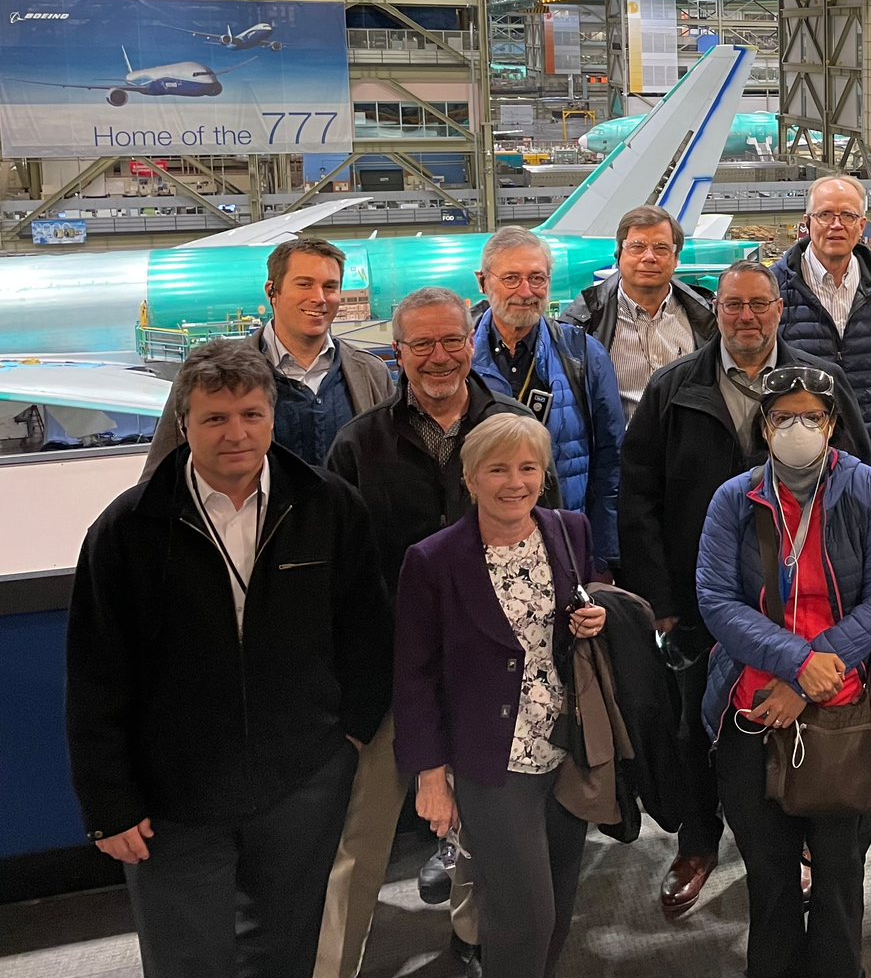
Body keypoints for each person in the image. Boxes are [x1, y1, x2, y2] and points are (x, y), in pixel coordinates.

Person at [66, 341, 390, 978]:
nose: (236, 433)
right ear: (183, 424)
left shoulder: (328, 507)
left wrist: (345, 738)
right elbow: (95, 676)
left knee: (286, 953)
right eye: (215, 418)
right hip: (174, 800)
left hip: (301, 785)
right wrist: (108, 804)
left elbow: (367, 632)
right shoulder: (129, 530)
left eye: (250, 414)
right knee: (190, 961)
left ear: (272, 416)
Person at [619, 259, 871, 921]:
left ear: (780, 309)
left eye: (759, 304)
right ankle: (700, 841)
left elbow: (864, 485)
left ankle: (804, 839)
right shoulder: (675, 388)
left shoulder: (825, 385)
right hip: (700, 601)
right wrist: (659, 599)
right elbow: (638, 495)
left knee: (806, 716)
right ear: (716, 311)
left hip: (806, 605)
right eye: (733, 306)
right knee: (697, 726)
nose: (746, 318)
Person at [320, 286, 554, 978]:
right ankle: (332, 966)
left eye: (451, 340)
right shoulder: (360, 444)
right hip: (395, 676)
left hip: (492, 675)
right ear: (396, 354)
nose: (439, 356)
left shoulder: (512, 426)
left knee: (483, 833)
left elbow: (548, 531)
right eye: (420, 344)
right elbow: (340, 571)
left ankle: (472, 946)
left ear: (470, 341)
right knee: (361, 841)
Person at [695, 366, 871, 978]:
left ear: (832, 424)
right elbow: (716, 599)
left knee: (841, 874)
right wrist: (793, 664)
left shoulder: (869, 490)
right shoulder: (734, 499)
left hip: (845, 708)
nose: (796, 428)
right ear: (764, 428)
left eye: (810, 417)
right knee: (768, 875)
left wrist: (811, 674)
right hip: (754, 705)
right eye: (782, 417)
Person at [393, 413, 606, 978]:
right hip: (493, 763)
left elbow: (586, 601)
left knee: (558, 910)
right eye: (498, 469)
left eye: (528, 467)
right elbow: (414, 676)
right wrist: (430, 775)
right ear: (469, 478)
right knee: (523, 915)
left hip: (567, 748)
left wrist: (596, 615)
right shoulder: (432, 560)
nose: (515, 482)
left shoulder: (570, 530)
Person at [143, 236, 392, 477]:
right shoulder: (208, 372)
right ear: (272, 291)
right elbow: (159, 476)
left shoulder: (370, 372)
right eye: (304, 284)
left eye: (330, 286)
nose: (319, 298)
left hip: (349, 519)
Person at [470, 226, 626, 573]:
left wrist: (601, 557)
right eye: (511, 278)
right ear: (483, 282)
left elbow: (611, 461)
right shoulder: (459, 359)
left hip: (566, 546)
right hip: (480, 550)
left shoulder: (583, 355)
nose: (526, 292)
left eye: (537, 278)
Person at [770, 173, 871, 474]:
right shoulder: (773, 288)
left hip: (869, 457)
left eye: (847, 215)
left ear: (862, 225)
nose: (837, 225)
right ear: (807, 223)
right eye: (825, 215)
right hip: (794, 462)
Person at [559, 203, 717, 421]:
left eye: (661, 248)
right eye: (637, 246)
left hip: (688, 450)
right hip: (617, 451)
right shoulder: (582, 322)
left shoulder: (707, 317)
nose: (649, 257)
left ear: (676, 258)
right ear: (619, 254)